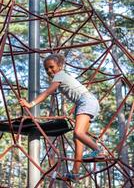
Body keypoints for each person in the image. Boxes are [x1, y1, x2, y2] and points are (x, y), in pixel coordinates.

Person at [19, 54, 104, 182]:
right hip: (89, 102)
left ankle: (98, 150)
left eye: (51, 67)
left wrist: (30, 104)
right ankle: (75, 173)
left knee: (78, 132)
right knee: (78, 139)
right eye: (46, 69)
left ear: (60, 65)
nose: (49, 71)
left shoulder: (60, 75)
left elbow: (48, 92)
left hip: (85, 101)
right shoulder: (62, 76)